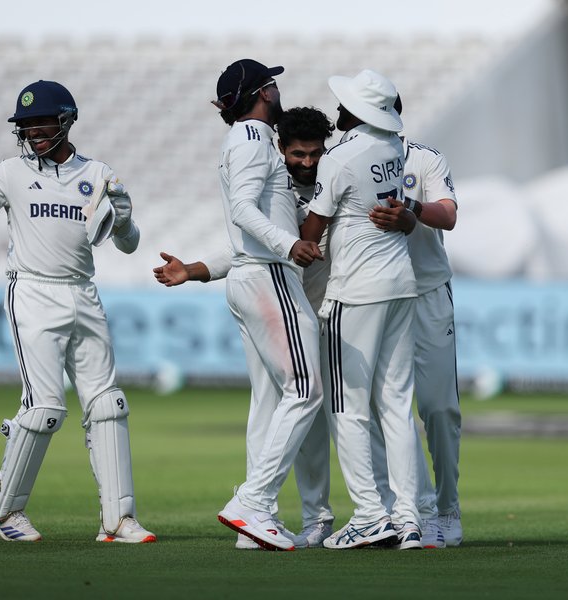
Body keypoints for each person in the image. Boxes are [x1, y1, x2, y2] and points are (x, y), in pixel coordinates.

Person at [0, 80, 154, 543]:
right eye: (26, 125)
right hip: (32, 292)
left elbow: (128, 245)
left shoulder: (98, 173)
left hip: (83, 292)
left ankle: (118, 520)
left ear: (66, 120)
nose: (33, 132)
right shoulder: (10, 172)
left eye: (42, 122)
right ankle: (3, 508)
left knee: (108, 404)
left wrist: (125, 221)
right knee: (45, 408)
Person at [154, 106, 336, 549]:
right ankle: (263, 509)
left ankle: (282, 519)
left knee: (291, 407)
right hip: (284, 302)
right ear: (281, 148)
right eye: (298, 154)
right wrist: (195, 270)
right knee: (292, 401)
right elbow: (248, 246)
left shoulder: (333, 182)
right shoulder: (276, 182)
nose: (307, 162)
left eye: (315, 153)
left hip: (324, 307)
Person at [301, 69, 423, 549]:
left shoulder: (341, 157)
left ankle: (370, 516)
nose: (337, 109)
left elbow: (312, 231)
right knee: (396, 406)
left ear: (356, 111)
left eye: (344, 103)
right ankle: (408, 518)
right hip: (401, 284)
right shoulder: (394, 147)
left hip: (355, 292)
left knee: (347, 408)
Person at [210, 59, 325, 551]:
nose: (278, 92)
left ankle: (257, 526)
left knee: (269, 402)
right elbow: (242, 208)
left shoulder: (241, 139)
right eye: (272, 86)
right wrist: (288, 244)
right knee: (306, 389)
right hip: (269, 274)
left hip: (248, 274)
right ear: (265, 92)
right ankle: (253, 503)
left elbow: (256, 209)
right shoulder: (255, 139)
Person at [368, 94, 462, 546]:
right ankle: (406, 510)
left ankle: (447, 507)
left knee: (439, 408)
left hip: (426, 293)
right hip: (377, 297)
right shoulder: (347, 156)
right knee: (384, 410)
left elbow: (449, 215)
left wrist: (413, 211)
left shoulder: (423, 159)